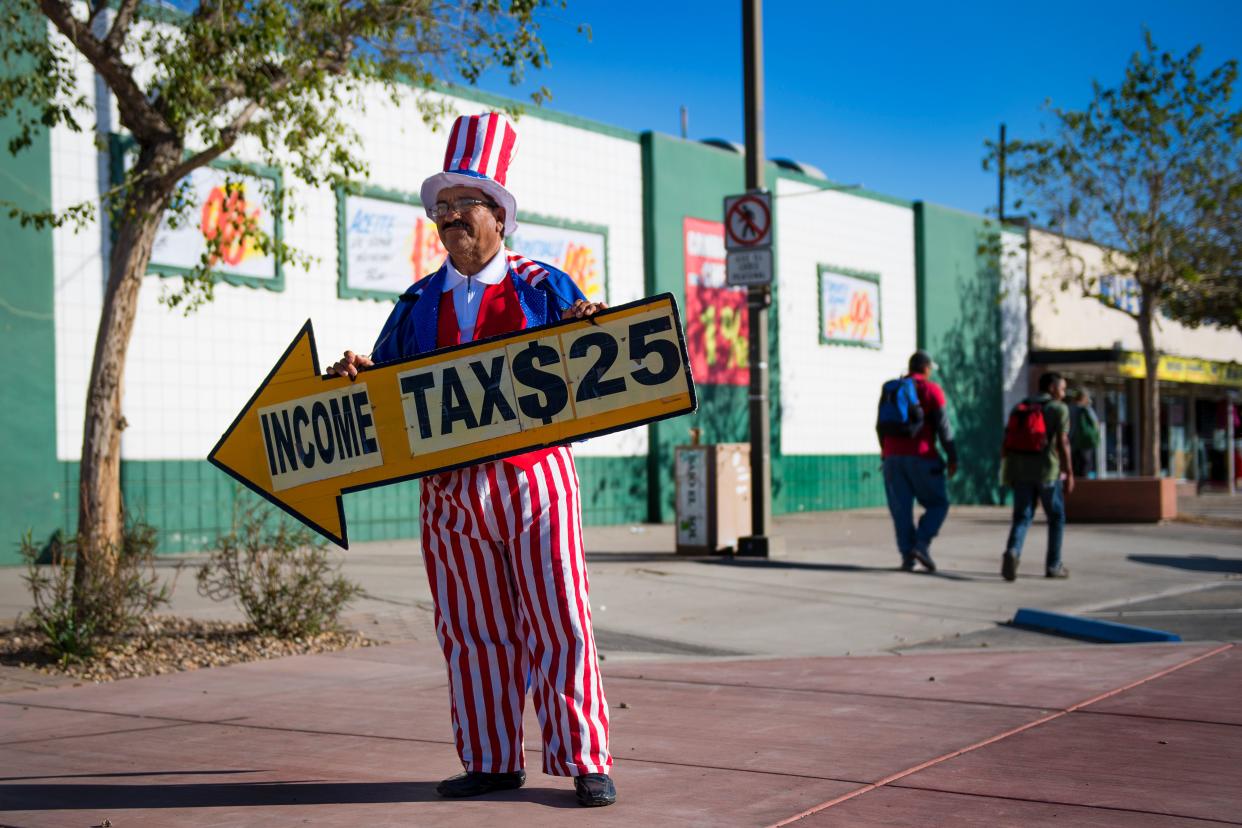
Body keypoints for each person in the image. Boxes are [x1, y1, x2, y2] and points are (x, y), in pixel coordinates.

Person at [329, 112, 616, 808]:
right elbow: (391, 379)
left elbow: (593, 358)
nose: (450, 218)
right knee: (470, 627)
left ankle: (583, 758)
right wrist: (361, 371)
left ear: (499, 216)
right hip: (450, 491)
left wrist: (588, 327)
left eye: (464, 205)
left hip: (535, 477)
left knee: (562, 619)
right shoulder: (417, 302)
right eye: (441, 208)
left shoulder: (544, 285)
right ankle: (491, 760)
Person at [877, 350, 958, 573]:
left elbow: (880, 425)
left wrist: (885, 453)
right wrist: (952, 457)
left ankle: (907, 557)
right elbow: (944, 428)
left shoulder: (892, 390)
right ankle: (921, 544)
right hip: (922, 457)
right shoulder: (931, 390)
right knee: (938, 504)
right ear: (925, 368)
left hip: (892, 458)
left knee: (900, 510)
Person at [1000, 372, 1074, 581]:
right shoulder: (1058, 409)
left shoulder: (1020, 407)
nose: (1063, 393)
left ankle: (1013, 551)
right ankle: (1053, 565)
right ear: (1051, 388)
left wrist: (1007, 471)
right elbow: (1063, 442)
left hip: (1020, 470)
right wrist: (1069, 472)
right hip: (1047, 471)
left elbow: (1006, 442)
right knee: (1056, 516)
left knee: (1022, 516)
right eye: (1062, 388)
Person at [1068, 388, 1100, 478]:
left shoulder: (1069, 408)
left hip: (1072, 441)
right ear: (1085, 397)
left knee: (1074, 467)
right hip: (1085, 442)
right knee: (1085, 467)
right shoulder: (1087, 409)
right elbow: (1096, 423)